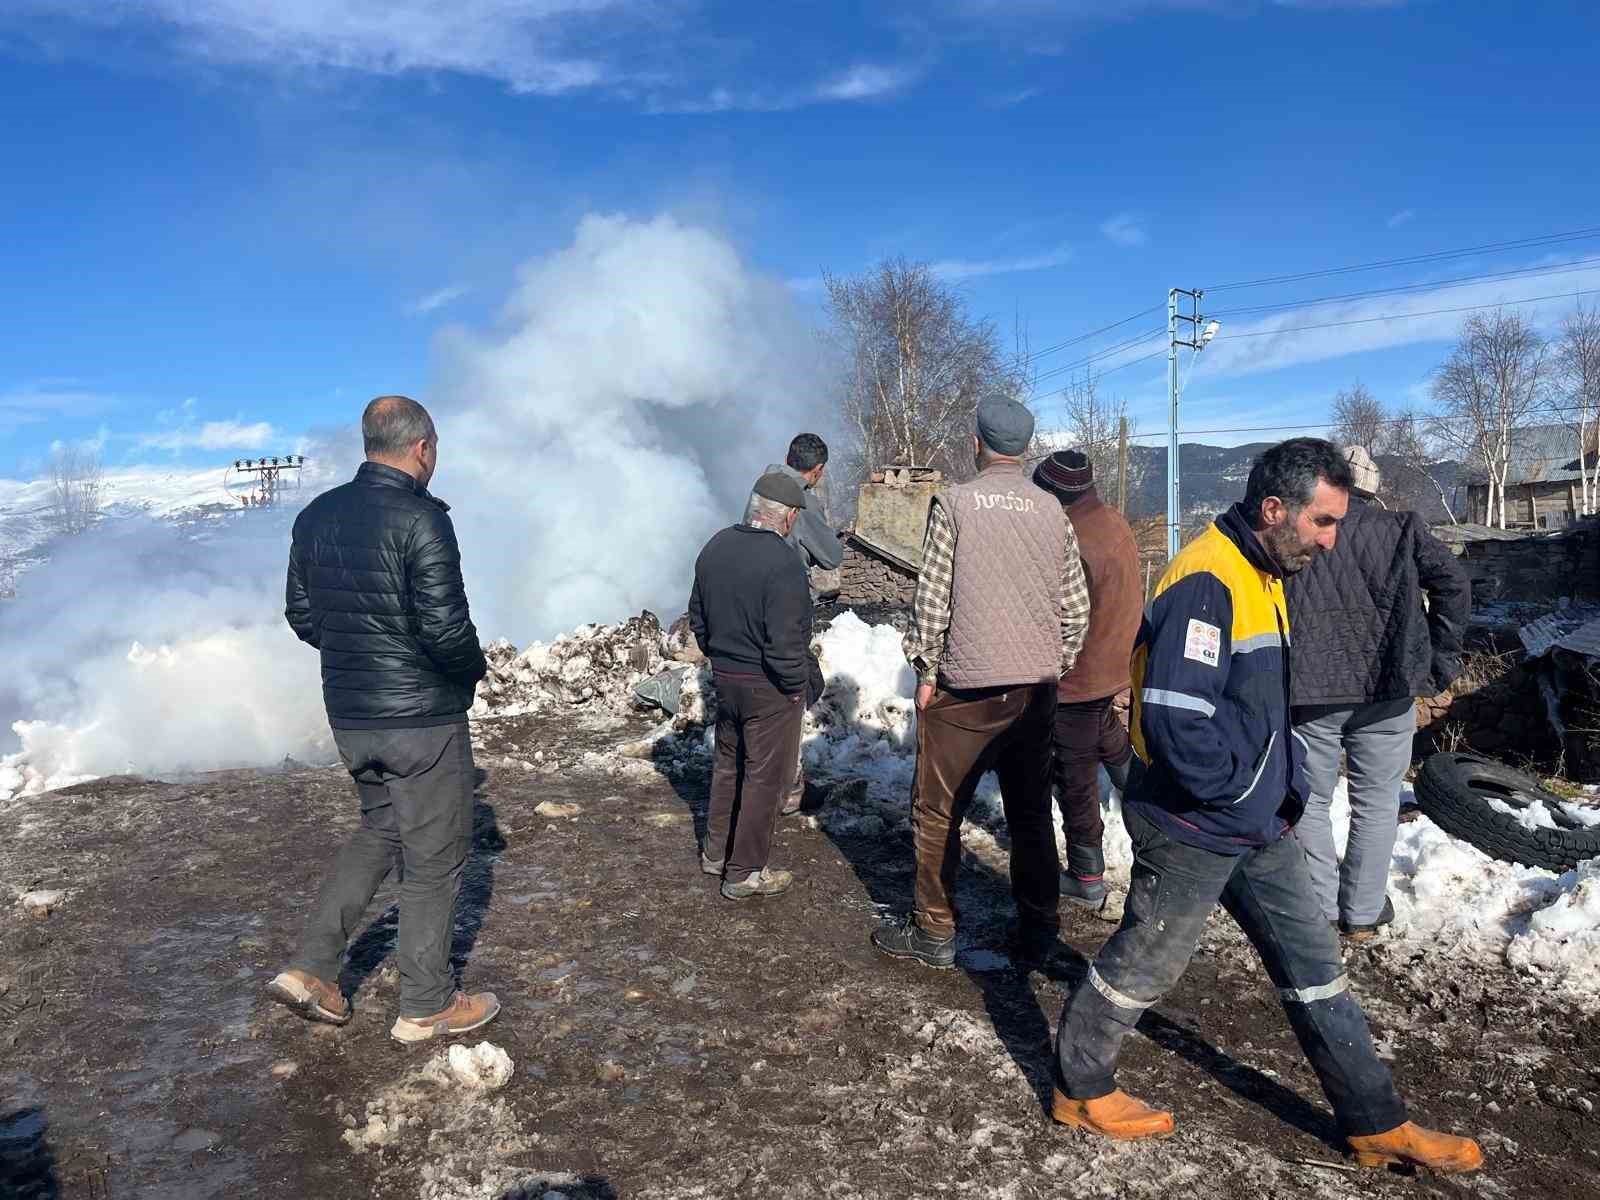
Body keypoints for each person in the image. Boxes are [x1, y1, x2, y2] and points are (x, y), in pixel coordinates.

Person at [1049, 438, 1482, 1175]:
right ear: (1275, 509)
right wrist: (1245, 792)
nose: (1331, 539)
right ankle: (1079, 1085)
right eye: (1322, 522)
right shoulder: (1207, 582)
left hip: (1256, 821)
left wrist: (1275, 793)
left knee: (1316, 966)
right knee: (1146, 962)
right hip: (1193, 823)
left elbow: (1248, 706)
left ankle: (1375, 1121)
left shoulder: (1265, 567)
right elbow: (1176, 720)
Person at [269, 395, 499, 1044]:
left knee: (379, 831)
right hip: (421, 718)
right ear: (422, 447)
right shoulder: (422, 519)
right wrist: (468, 674)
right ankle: (427, 1003)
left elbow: (303, 615)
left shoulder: (315, 518)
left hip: (350, 714)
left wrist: (358, 659)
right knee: (436, 856)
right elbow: (446, 628)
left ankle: (313, 969)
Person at [872, 397, 1091, 969]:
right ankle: (1040, 930)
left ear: (978, 443)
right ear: (1026, 449)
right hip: (1034, 693)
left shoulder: (956, 503)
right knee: (1029, 813)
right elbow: (1076, 609)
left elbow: (933, 597)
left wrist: (925, 668)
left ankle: (935, 931)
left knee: (938, 809)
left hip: (963, 691)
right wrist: (1054, 665)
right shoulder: (1053, 512)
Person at [1286, 445, 1470, 940]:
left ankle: (1321, 910)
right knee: (1377, 802)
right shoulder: (1401, 528)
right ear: (1373, 487)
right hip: (1387, 688)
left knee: (1311, 802)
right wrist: (1438, 660)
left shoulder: (1299, 528)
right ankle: (1363, 914)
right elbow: (1455, 584)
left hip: (1310, 691)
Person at [691, 471, 825, 900]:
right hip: (768, 687)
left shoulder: (715, 546)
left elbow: (698, 617)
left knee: (728, 765)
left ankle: (716, 852)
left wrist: (720, 658)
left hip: (726, 680)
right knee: (765, 779)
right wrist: (793, 687)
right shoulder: (782, 562)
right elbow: (788, 640)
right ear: (785, 517)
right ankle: (745, 871)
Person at [1033, 450, 1142, 910]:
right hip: (1115, 661)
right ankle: (1147, 807)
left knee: (1073, 775)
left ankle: (1086, 874)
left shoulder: (1070, 536)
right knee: (1109, 738)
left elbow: (1059, 613)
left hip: (1081, 672)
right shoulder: (1111, 519)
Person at [761, 433, 845, 815]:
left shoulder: (761, 489)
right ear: (818, 470)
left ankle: (764, 775)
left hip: (752, 606)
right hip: (787, 608)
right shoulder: (802, 499)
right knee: (799, 689)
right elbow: (830, 556)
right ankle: (785, 786)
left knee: (770, 689)